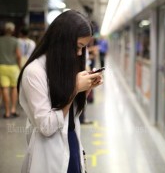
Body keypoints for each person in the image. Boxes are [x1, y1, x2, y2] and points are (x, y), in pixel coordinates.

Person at [17, 10, 103, 173]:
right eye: (78, 47)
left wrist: (86, 89)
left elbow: (71, 113)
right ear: (62, 41)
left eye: (83, 48)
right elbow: (46, 125)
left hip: (71, 141)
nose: (79, 53)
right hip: (48, 152)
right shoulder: (34, 72)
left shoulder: (64, 65)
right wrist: (75, 88)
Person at [0, 22, 22, 118]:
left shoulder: (0, 40)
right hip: (13, 67)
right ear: (13, 30)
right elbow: (18, 55)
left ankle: (7, 112)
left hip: (2, 67)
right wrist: (19, 66)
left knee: (4, 88)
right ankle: (13, 109)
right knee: (14, 88)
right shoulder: (15, 41)